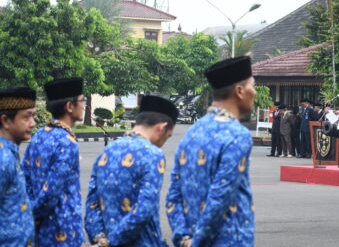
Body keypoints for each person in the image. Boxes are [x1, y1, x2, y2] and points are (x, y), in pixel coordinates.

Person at [166, 56, 256, 247]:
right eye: (252, 86)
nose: (254, 93)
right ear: (240, 91)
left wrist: (184, 239)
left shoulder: (192, 132)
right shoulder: (237, 134)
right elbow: (220, 196)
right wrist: (198, 242)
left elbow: (173, 195)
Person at [85, 95, 178, 246]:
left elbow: (91, 204)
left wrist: (100, 238)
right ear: (161, 128)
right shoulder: (152, 154)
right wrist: (112, 242)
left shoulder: (107, 151)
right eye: (167, 136)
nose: (163, 143)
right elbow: (144, 209)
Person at [22, 78, 86, 246]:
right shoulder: (67, 142)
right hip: (63, 229)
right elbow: (51, 192)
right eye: (82, 100)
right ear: (69, 106)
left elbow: (25, 179)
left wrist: (29, 216)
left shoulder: (39, 135)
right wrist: (34, 214)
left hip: (40, 230)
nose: (84, 105)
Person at [0, 87, 36, 246]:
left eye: (33, 116)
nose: (33, 123)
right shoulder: (3, 159)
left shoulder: (10, 153)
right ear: (6, 121)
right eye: (26, 117)